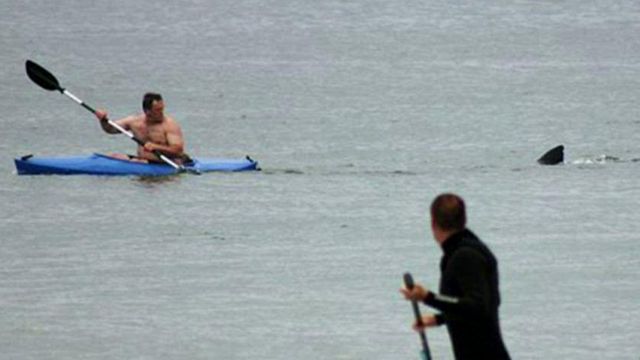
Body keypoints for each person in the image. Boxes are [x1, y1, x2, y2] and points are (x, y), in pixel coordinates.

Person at [400, 193, 511, 360]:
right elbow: (475, 307)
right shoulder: (470, 250)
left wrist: (427, 296)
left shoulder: (465, 256)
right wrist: (439, 319)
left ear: (433, 223)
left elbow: (477, 306)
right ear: (464, 219)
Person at [94, 92, 189, 164]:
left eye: (162, 108)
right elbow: (110, 129)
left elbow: (178, 150)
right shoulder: (134, 122)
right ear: (147, 111)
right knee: (113, 156)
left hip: (168, 162)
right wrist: (103, 120)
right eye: (158, 110)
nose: (162, 112)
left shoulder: (170, 125)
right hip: (143, 162)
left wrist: (156, 146)